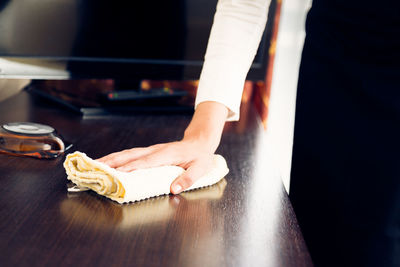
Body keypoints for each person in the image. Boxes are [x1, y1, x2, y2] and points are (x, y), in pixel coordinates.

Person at [98, 0, 400, 266]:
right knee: (319, 234)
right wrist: (201, 137)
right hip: (338, 53)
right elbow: (244, 5)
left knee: (378, 242)